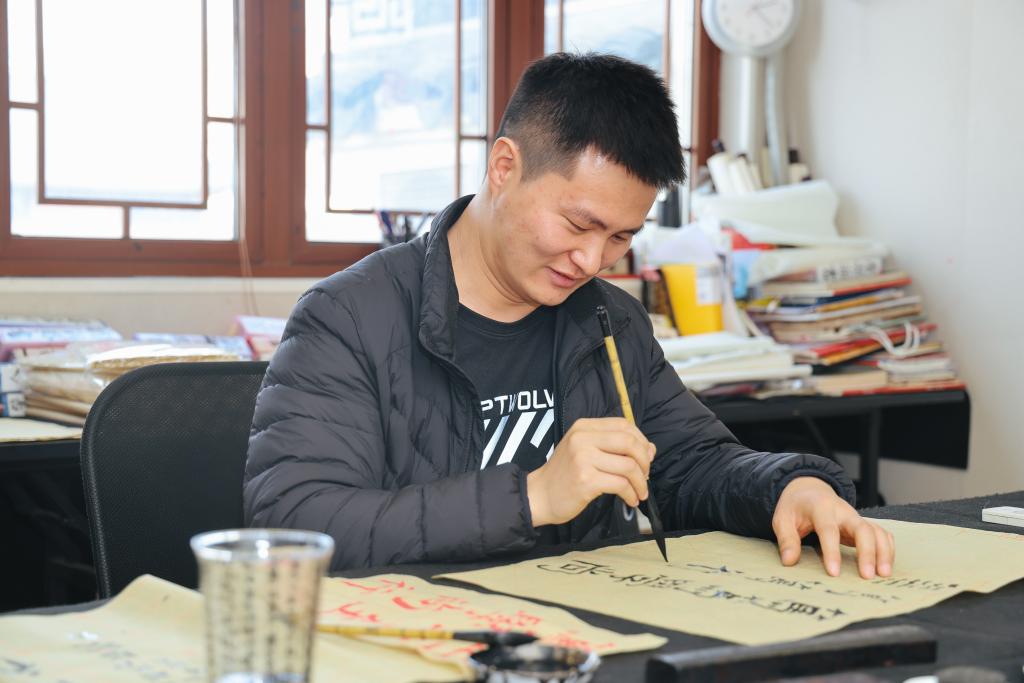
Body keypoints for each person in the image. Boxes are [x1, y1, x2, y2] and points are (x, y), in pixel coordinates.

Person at [243, 52, 895, 580]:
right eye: (579, 224)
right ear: (505, 167)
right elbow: (294, 524)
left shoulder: (609, 321)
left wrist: (789, 487)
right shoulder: (348, 318)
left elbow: (691, 462)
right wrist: (534, 497)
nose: (592, 260)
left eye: (620, 237)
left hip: (578, 642)